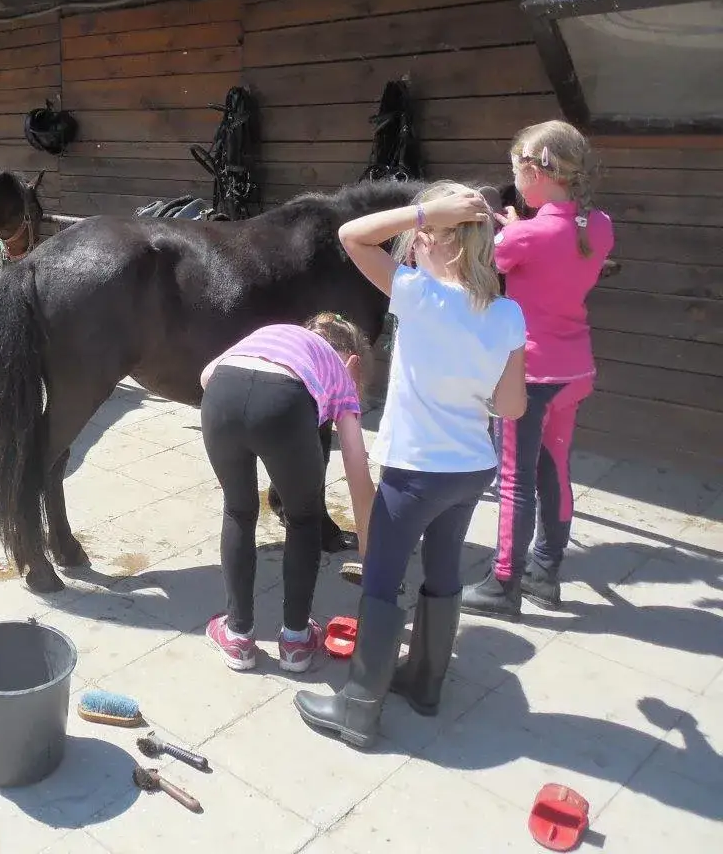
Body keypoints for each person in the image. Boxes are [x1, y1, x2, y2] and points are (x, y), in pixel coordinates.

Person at [295, 182, 527, 749]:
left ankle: (358, 708)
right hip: (472, 468)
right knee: (443, 569)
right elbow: (513, 406)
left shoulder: (421, 295)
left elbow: (350, 234)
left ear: (444, 238)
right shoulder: (507, 312)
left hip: (417, 469)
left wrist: (424, 208)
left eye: (422, 233)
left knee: (381, 578)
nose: (412, 240)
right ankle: (424, 682)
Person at [462, 122, 615, 620]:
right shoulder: (600, 225)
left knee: (513, 478)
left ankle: (503, 583)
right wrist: (519, 226)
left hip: (529, 374)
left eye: (516, 170)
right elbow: (551, 244)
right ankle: (546, 573)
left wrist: (507, 227)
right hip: (575, 370)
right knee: (556, 467)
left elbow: (497, 258)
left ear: (533, 168)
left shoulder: (525, 236)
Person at [201, 313, 377, 674]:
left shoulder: (276, 334)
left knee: (238, 510)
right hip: (284, 401)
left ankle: (237, 637)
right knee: (305, 517)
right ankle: (296, 641)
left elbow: (206, 375)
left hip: (221, 391)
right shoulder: (341, 374)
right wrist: (373, 555)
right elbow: (358, 474)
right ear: (353, 362)